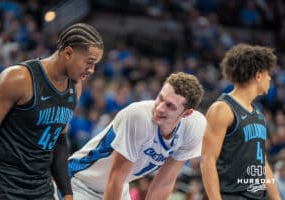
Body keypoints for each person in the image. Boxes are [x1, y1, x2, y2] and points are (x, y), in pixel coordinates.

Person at [0, 23, 104, 200]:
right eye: (89, 62)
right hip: (3, 184)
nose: (92, 70)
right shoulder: (19, 78)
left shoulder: (75, 88)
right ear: (68, 53)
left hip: (40, 188)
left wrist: (67, 193)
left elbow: (59, 141)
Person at [68, 72, 207, 200]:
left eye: (170, 106)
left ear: (186, 113)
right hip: (80, 182)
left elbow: (165, 182)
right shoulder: (139, 116)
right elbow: (116, 177)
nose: (159, 108)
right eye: (160, 98)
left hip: (119, 188)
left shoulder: (194, 128)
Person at [200, 44, 281, 200]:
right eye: (268, 74)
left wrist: (276, 198)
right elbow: (207, 160)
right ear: (258, 76)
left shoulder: (258, 114)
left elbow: (261, 161)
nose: (270, 78)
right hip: (231, 195)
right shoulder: (223, 108)